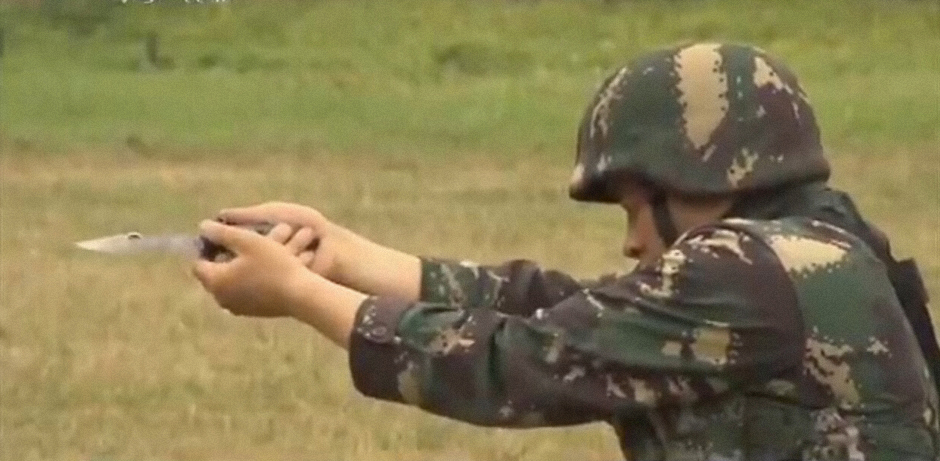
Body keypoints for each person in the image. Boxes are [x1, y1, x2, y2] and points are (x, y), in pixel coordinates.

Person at [192, 42, 940, 460]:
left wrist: (301, 296)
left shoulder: (743, 272)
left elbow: (525, 361)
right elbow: (577, 314)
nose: (632, 239)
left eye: (636, 205)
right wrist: (344, 256)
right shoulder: (813, 248)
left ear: (698, 178)